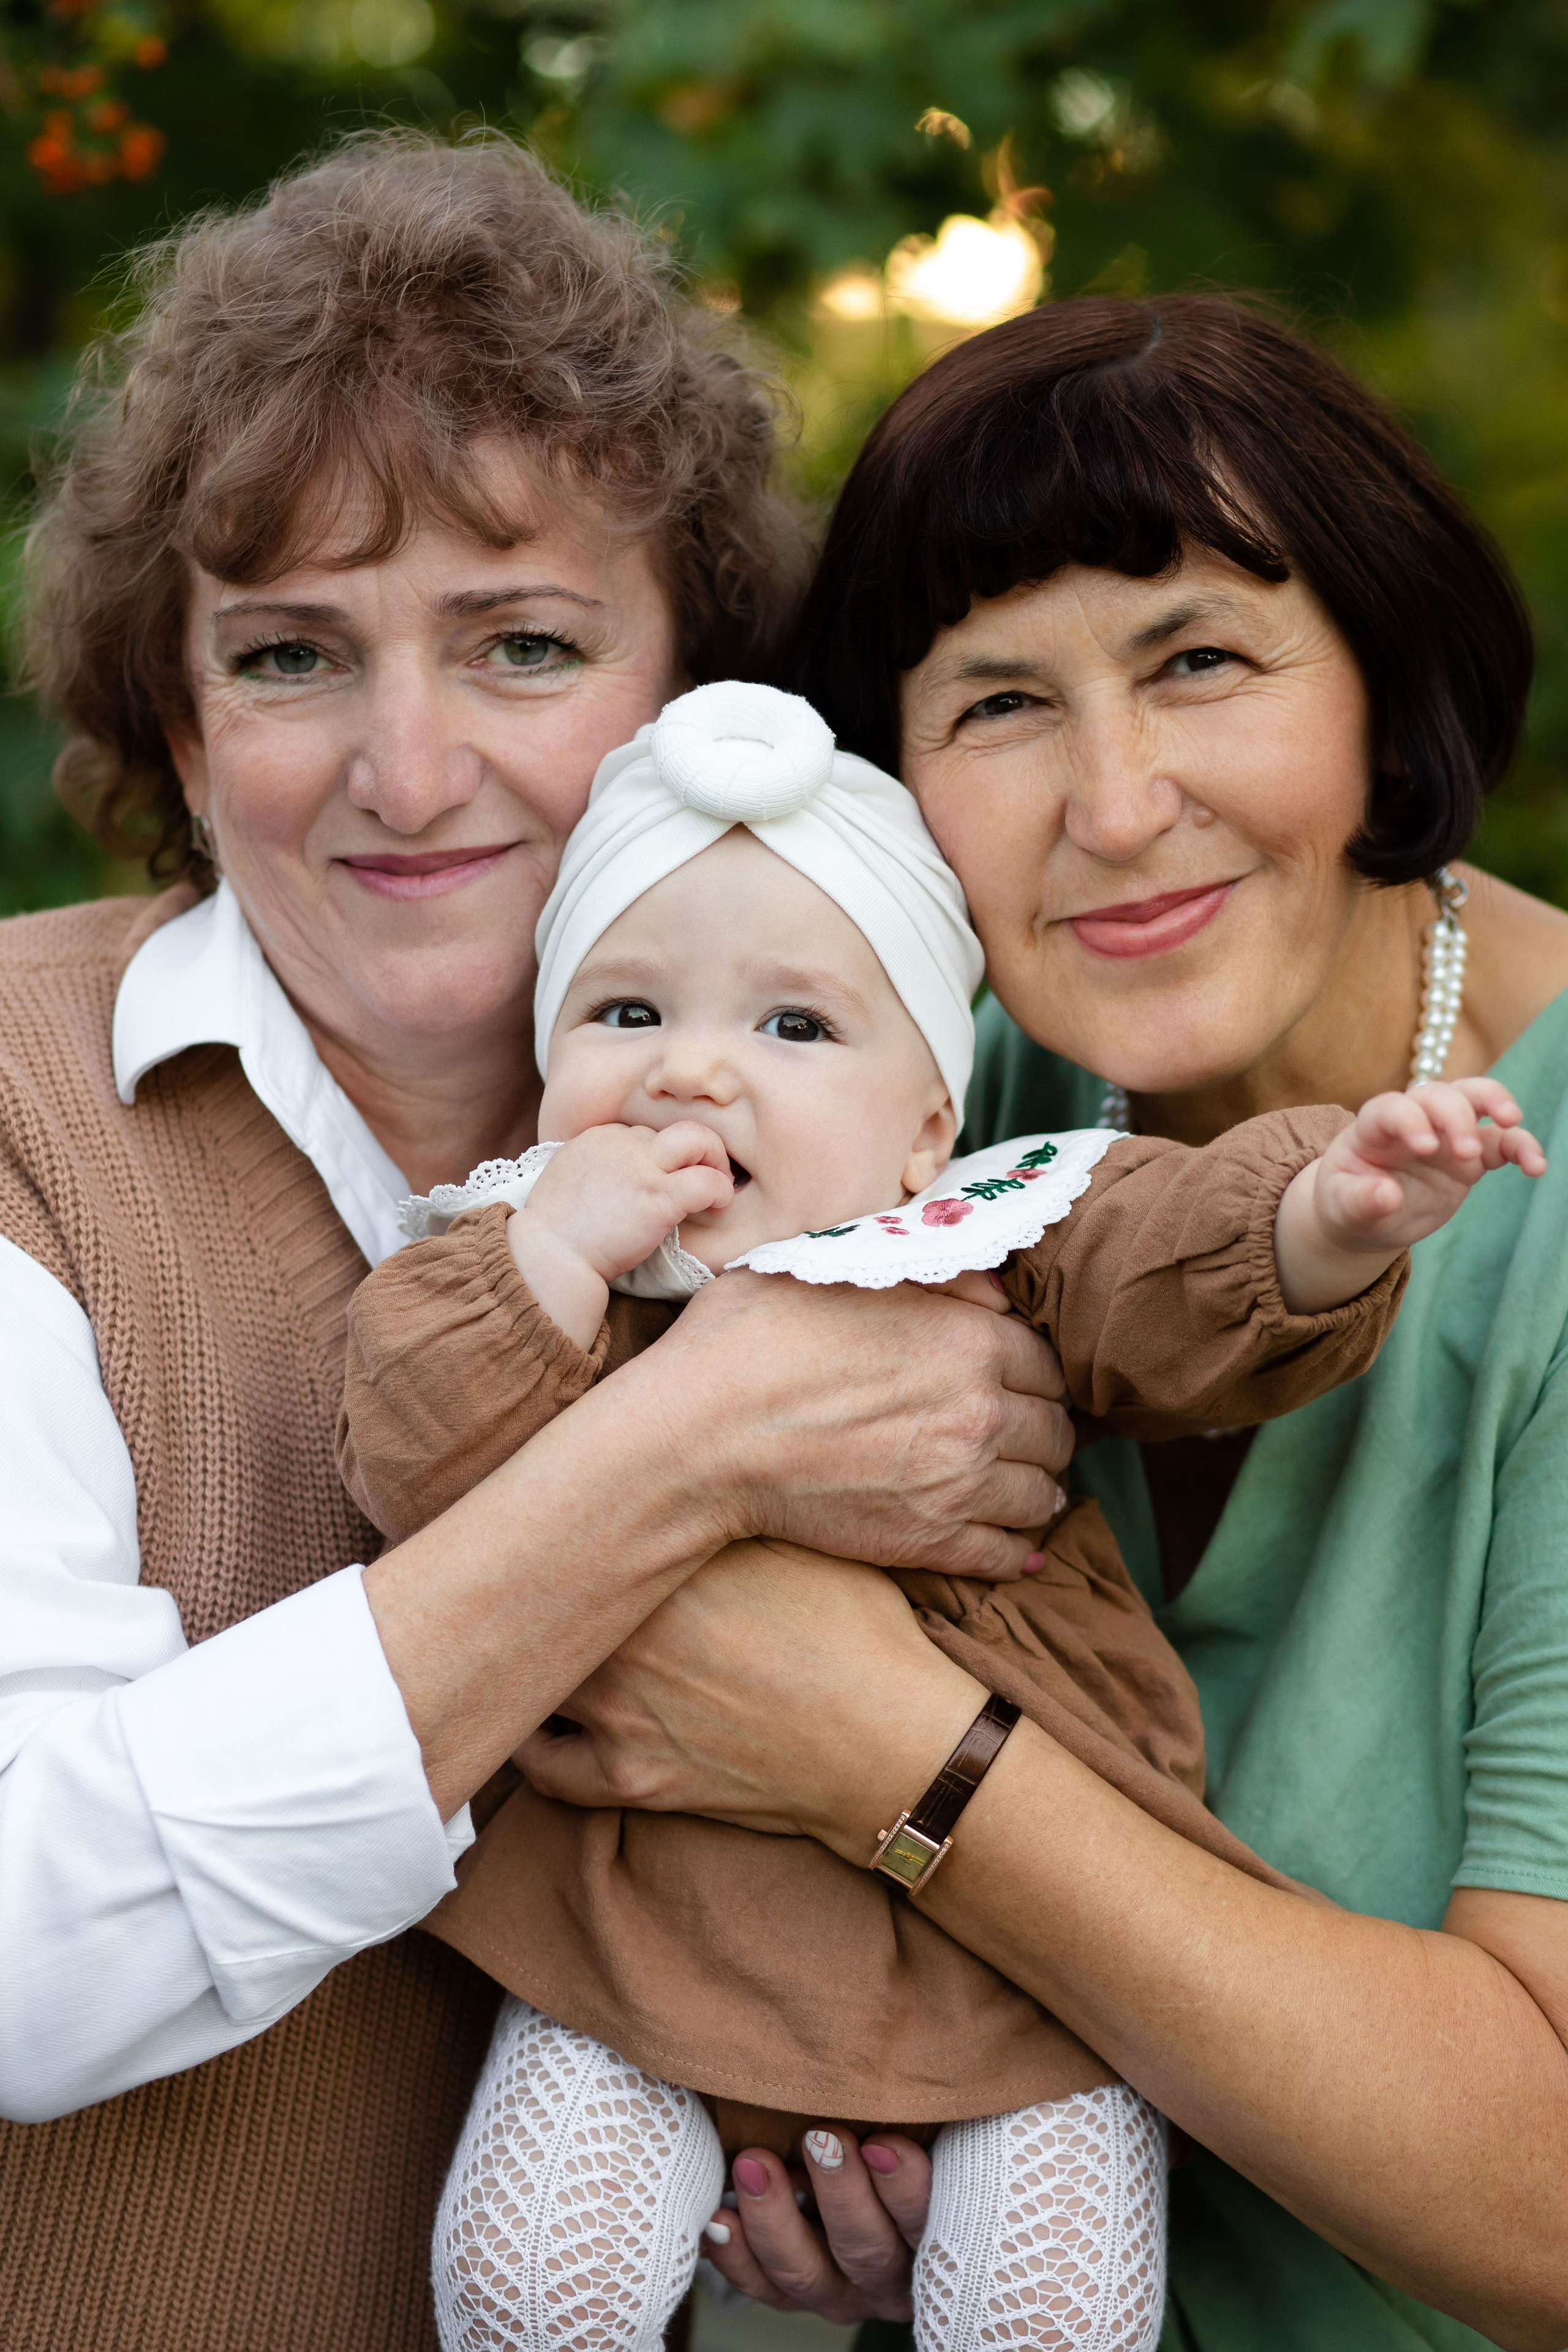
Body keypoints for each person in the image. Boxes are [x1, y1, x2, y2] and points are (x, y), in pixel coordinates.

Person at [0, 136, 1078, 2352]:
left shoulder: (885, 1164)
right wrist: (692, 1449)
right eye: (290, 656)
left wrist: (875, 2134)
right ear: (184, 733)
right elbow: (28, 1949)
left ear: (701, 714)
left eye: (521, 645)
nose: (410, 774)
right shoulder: (23, 1110)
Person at [511, 298, 1568, 2352]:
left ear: (1385, 683)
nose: (1116, 803)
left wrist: (886, 1759)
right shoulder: (917, 1102)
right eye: (998, 702)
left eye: (1200, 663)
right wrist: (882, 2127)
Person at [340, 677, 1531, 2351]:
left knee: (1050, 2313)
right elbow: (412, 1451)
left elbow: (1168, 1279)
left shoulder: (985, 1237)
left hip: (1024, 1972)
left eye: (793, 1028)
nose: (690, 1072)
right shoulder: (529, 1274)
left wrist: (1326, 1217)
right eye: (624, 1012)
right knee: (532, 2282)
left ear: (925, 1131)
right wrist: (548, 1251)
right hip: (631, 1936)